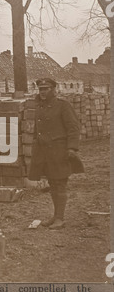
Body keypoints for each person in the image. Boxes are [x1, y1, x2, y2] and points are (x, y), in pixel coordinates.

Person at [28, 78, 84, 230]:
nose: (43, 92)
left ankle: (60, 218)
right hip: (44, 152)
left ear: (54, 89)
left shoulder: (62, 105)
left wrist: (72, 148)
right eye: (41, 89)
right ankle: (55, 216)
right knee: (52, 183)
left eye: (46, 89)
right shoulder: (39, 106)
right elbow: (37, 129)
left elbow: (73, 128)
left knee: (59, 184)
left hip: (59, 151)